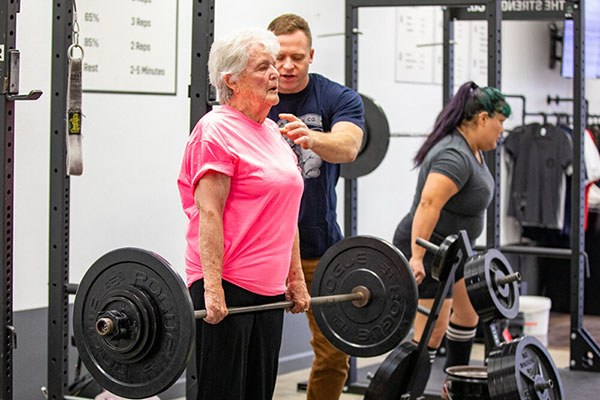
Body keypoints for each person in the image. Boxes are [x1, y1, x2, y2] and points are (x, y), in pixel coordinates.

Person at [177, 28, 310, 400]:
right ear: (231, 81)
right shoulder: (215, 130)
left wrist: (295, 278)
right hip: (229, 282)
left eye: (274, 65)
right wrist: (213, 289)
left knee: (259, 392)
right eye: (263, 67)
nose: (275, 73)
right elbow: (209, 212)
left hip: (269, 287)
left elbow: (287, 214)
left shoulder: (272, 131)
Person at [267, 13, 365, 400]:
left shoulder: (336, 98)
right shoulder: (254, 96)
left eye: (297, 57)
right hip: (262, 252)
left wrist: (310, 137)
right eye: (279, 57)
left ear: (311, 55)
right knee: (251, 350)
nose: (287, 66)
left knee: (333, 353)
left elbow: (349, 147)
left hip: (318, 247)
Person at [392, 81, 511, 396]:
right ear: (483, 118)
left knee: (469, 312)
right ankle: (410, 392)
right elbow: (427, 205)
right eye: (500, 122)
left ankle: (453, 387)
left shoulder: (473, 148)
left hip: (456, 250)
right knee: (432, 333)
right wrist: (417, 257)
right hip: (431, 248)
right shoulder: (453, 154)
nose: (502, 130)